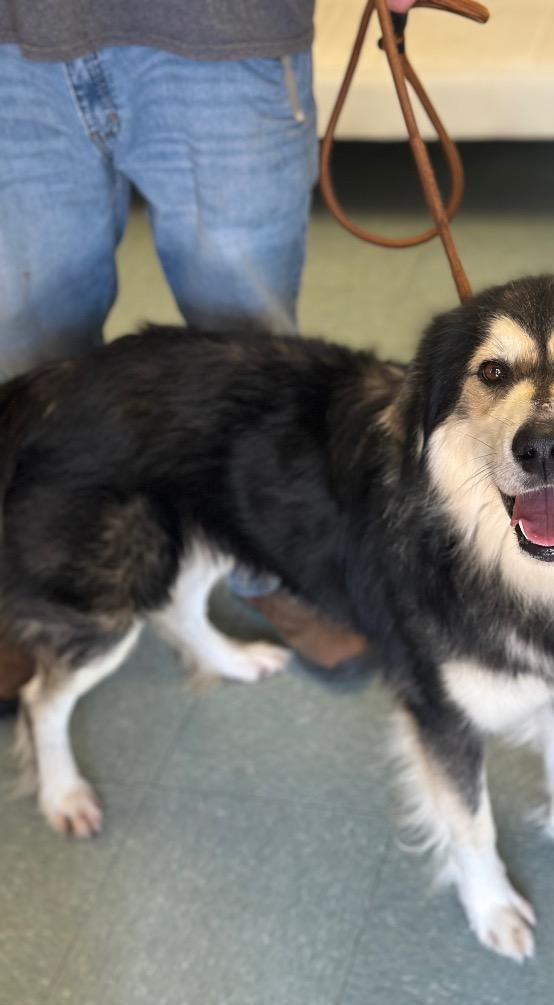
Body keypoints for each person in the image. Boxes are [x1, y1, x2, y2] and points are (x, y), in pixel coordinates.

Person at [0, 0, 416, 714]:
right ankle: (33, 576)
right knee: (29, 347)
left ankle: (270, 569)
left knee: (253, 355)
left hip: (223, 26)